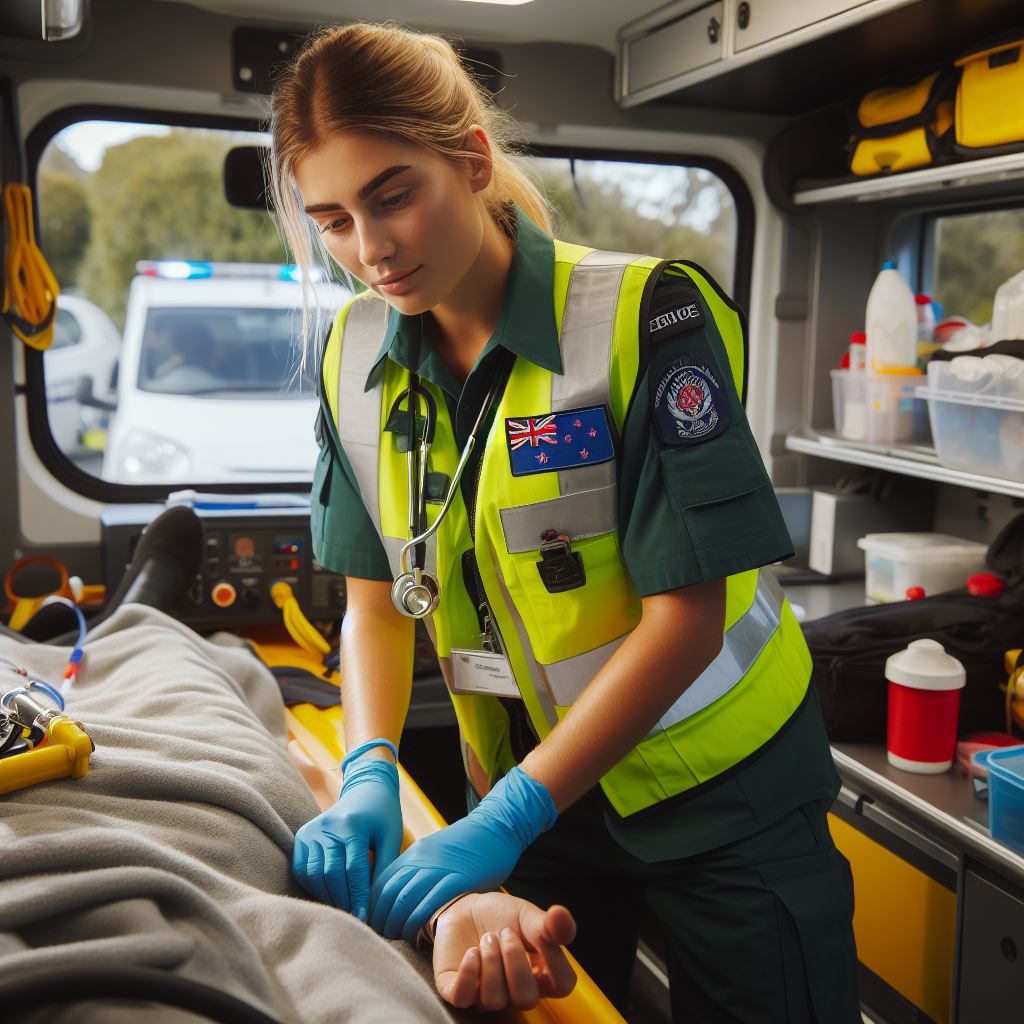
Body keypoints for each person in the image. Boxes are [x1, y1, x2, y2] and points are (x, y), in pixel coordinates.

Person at [271, 22, 861, 1023]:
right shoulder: (350, 358)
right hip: (535, 797)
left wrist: (505, 816)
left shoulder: (645, 317)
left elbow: (689, 618)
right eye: (331, 219)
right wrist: (368, 764)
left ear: (471, 159)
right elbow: (375, 608)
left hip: (721, 795)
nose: (368, 251)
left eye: (392, 195)